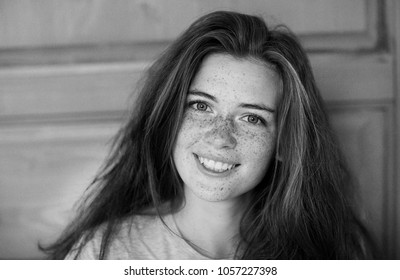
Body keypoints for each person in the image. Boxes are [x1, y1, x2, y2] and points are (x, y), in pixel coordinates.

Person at [42, 10, 375, 259]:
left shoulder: (339, 252)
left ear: (285, 143)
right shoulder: (102, 255)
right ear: (168, 118)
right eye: (200, 107)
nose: (221, 137)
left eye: (251, 118)